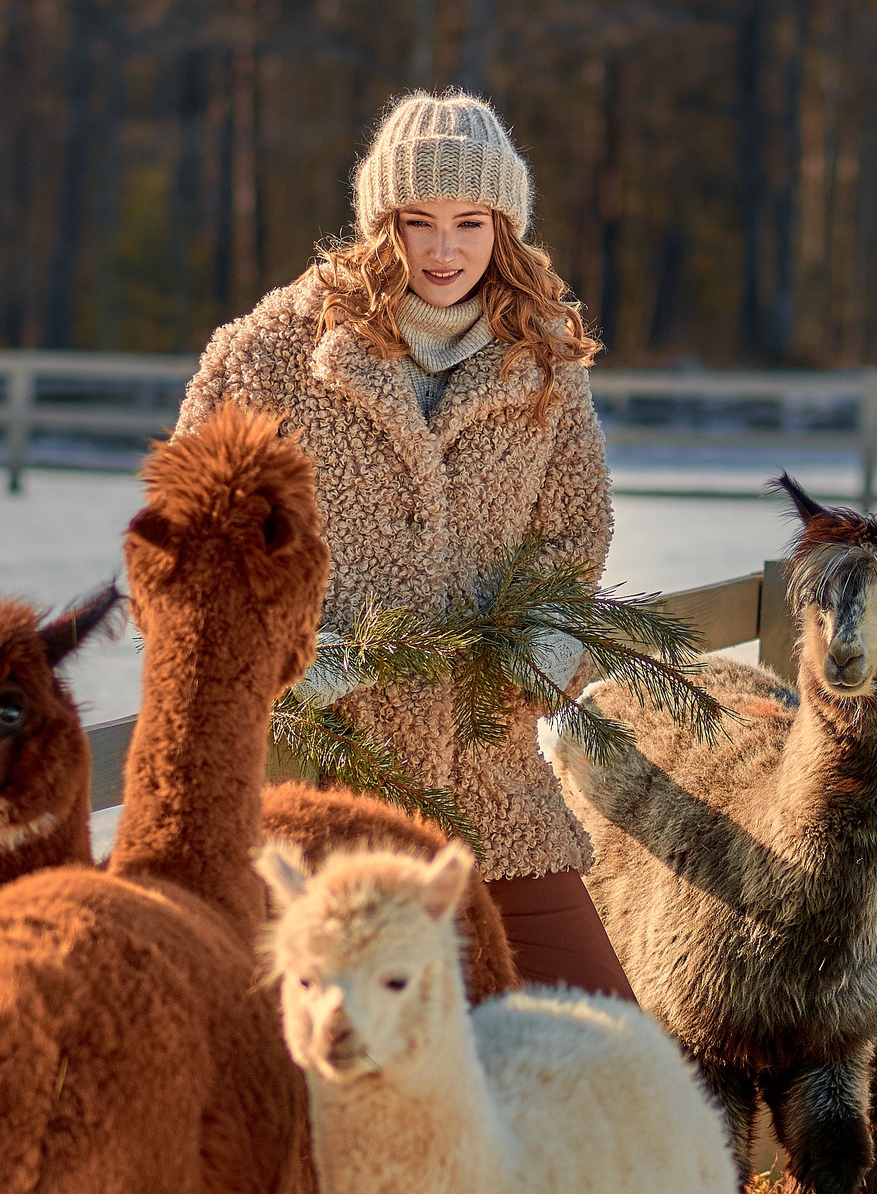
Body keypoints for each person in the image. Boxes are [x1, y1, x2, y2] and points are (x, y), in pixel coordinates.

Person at [176, 89, 632, 998]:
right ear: (380, 224)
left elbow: (575, 538)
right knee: (323, 1078)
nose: (444, 249)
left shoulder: (543, 362)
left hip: (492, 795)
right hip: (320, 798)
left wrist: (556, 643)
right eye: (417, 221)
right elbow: (186, 553)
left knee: (600, 1037)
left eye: (470, 221)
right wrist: (285, 659)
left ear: (506, 227)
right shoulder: (271, 354)